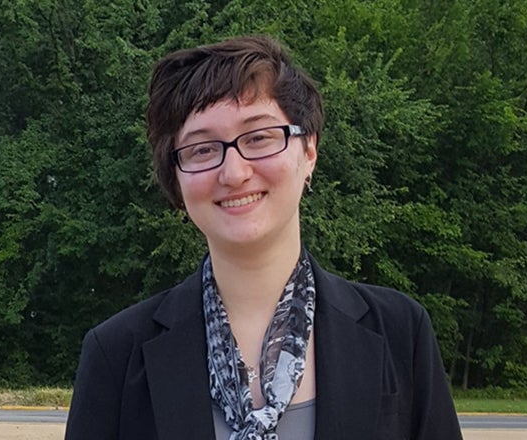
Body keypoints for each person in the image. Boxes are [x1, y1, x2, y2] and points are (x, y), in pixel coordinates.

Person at [64, 35, 463, 440]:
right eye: (202, 149)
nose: (234, 173)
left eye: (258, 138)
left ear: (309, 150)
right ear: (176, 179)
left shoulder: (400, 332)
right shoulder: (117, 354)